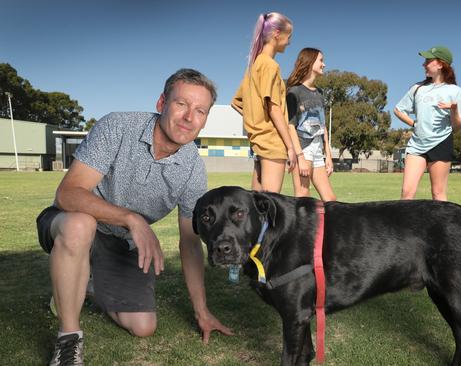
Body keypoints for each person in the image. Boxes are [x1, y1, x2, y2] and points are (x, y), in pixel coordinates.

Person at [36, 69, 233, 365]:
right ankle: (68, 339)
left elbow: (190, 243)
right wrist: (132, 219)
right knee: (80, 224)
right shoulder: (119, 126)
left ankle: (82, 284)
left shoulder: (192, 168)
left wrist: (201, 311)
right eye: (181, 104)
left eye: (200, 110)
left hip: (120, 244)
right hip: (71, 223)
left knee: (143, 326)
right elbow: (68, 194)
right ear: (161, 103)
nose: (189, 117)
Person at [232, 12, 296, 193]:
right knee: (270, 205)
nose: (289, 41)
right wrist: (290, 146)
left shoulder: (254, 66)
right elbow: (274, 108)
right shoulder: (270, 66)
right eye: (289, 36)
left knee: (257, 206)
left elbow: (238, 102)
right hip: (273, 143)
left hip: (259, 143)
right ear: (277, 33)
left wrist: (256, 121)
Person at [393, 45, 461, 201]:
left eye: (427, 61)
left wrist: (453, 110)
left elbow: (457, 127)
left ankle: (444, 226)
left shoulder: (455, 91)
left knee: (438, 193)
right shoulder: (417, 88)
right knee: (406, 193)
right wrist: (414, 124)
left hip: (441, 143)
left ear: (440, 64)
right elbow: (398, 110)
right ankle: (403, 226)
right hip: (416, 145)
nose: (423, 64)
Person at [285, 48, 336, 201]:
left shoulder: (319, 93)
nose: (324, 64)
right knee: (303, 198)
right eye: (321, 60)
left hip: (318, 149)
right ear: (310, 62)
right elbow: (290, 126)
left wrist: (328, 154)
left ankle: (328, 226)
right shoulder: (294, 92)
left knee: (330, 200)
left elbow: (323, 125)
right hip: (303, 149)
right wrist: (300, 157)